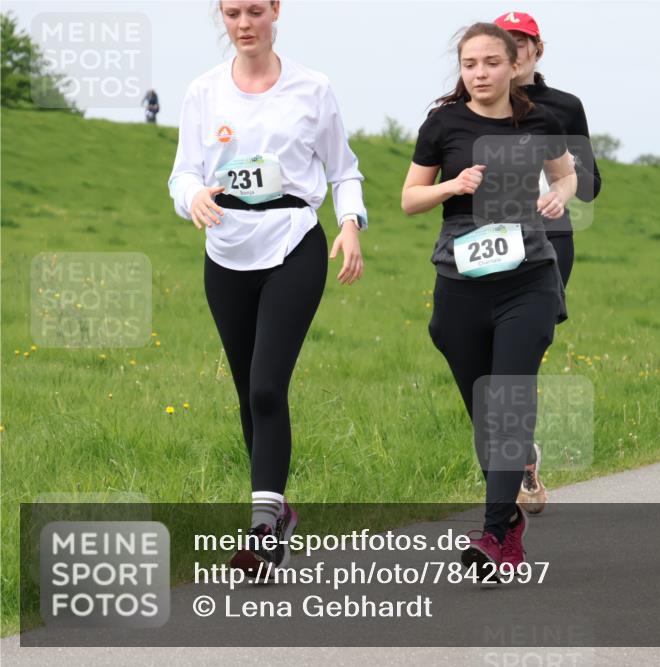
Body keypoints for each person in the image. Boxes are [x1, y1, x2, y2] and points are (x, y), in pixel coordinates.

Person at [167, 0, 367, 573]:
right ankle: (278, 511)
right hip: (227, 248)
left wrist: (349, 223)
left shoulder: (313, 88)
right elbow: (184, 171)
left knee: (265, 388)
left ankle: (261, 528)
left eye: (255, 10)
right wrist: (193, 197)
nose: (244, 23)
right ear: (222, 18)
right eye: (232, 13)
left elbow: (343, 169)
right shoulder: (202, 92)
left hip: (293, 241)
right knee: (245, 391)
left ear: (276, 10)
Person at [402, 22, 576, 574]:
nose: (480, 73)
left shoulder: (540, 120)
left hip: (527, 277)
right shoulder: (442, 124)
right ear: (462, 70)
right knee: (486, 413)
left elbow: (568, 176)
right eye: (470, 64)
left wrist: (557, 198)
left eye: (491, 63)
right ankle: (510, 511)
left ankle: (495, 532)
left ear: (512, 66)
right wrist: (453, 187)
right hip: (460, 283)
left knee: (506, 404)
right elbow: (409, 199)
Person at [494, 11, 603, 515]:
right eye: (504, 43)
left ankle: (518, 457)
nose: (513, 53)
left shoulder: (565, 106)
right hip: (491, 239)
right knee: (494, 353)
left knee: (525, 347)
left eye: (522, 44)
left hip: (550, 238)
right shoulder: (479, 103)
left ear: (538, 51)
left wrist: (559, 174)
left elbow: (591, 182)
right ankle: (522, 451)